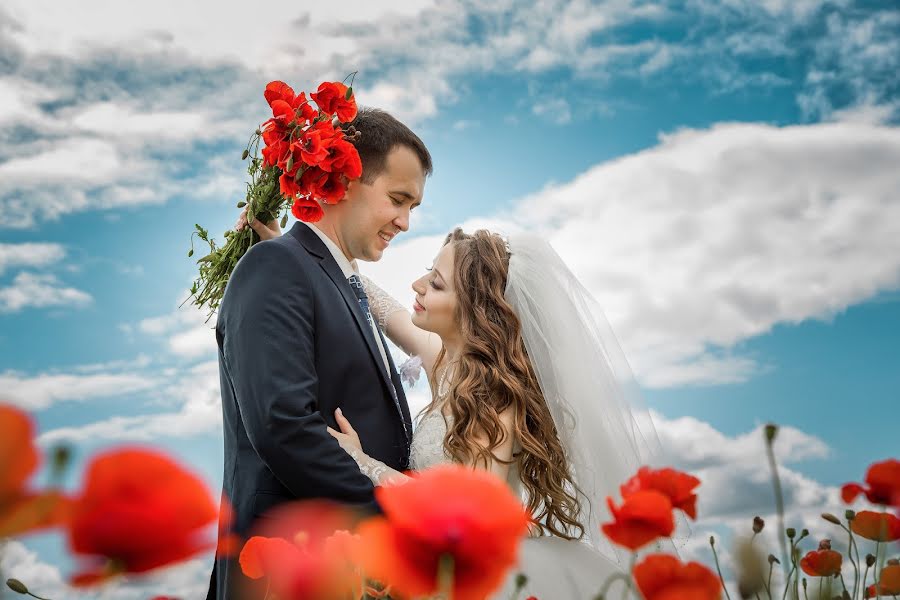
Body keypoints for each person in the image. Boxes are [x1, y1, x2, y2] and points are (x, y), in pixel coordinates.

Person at [243, 218, 664, 598]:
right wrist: (297, 250)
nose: (418, 285)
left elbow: (471, 518)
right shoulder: (445, 365)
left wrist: (363, 462)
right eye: (429, 272)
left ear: (475, 311)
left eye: (437, 284)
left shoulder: (497, 399)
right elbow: (377, 303)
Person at [208, 107, 433, 599]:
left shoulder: (341, 283)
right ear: (348, 179)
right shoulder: (275, 266)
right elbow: (284, 423)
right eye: (398, 199)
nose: (406, 221)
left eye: (413, 206)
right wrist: (392, 526)